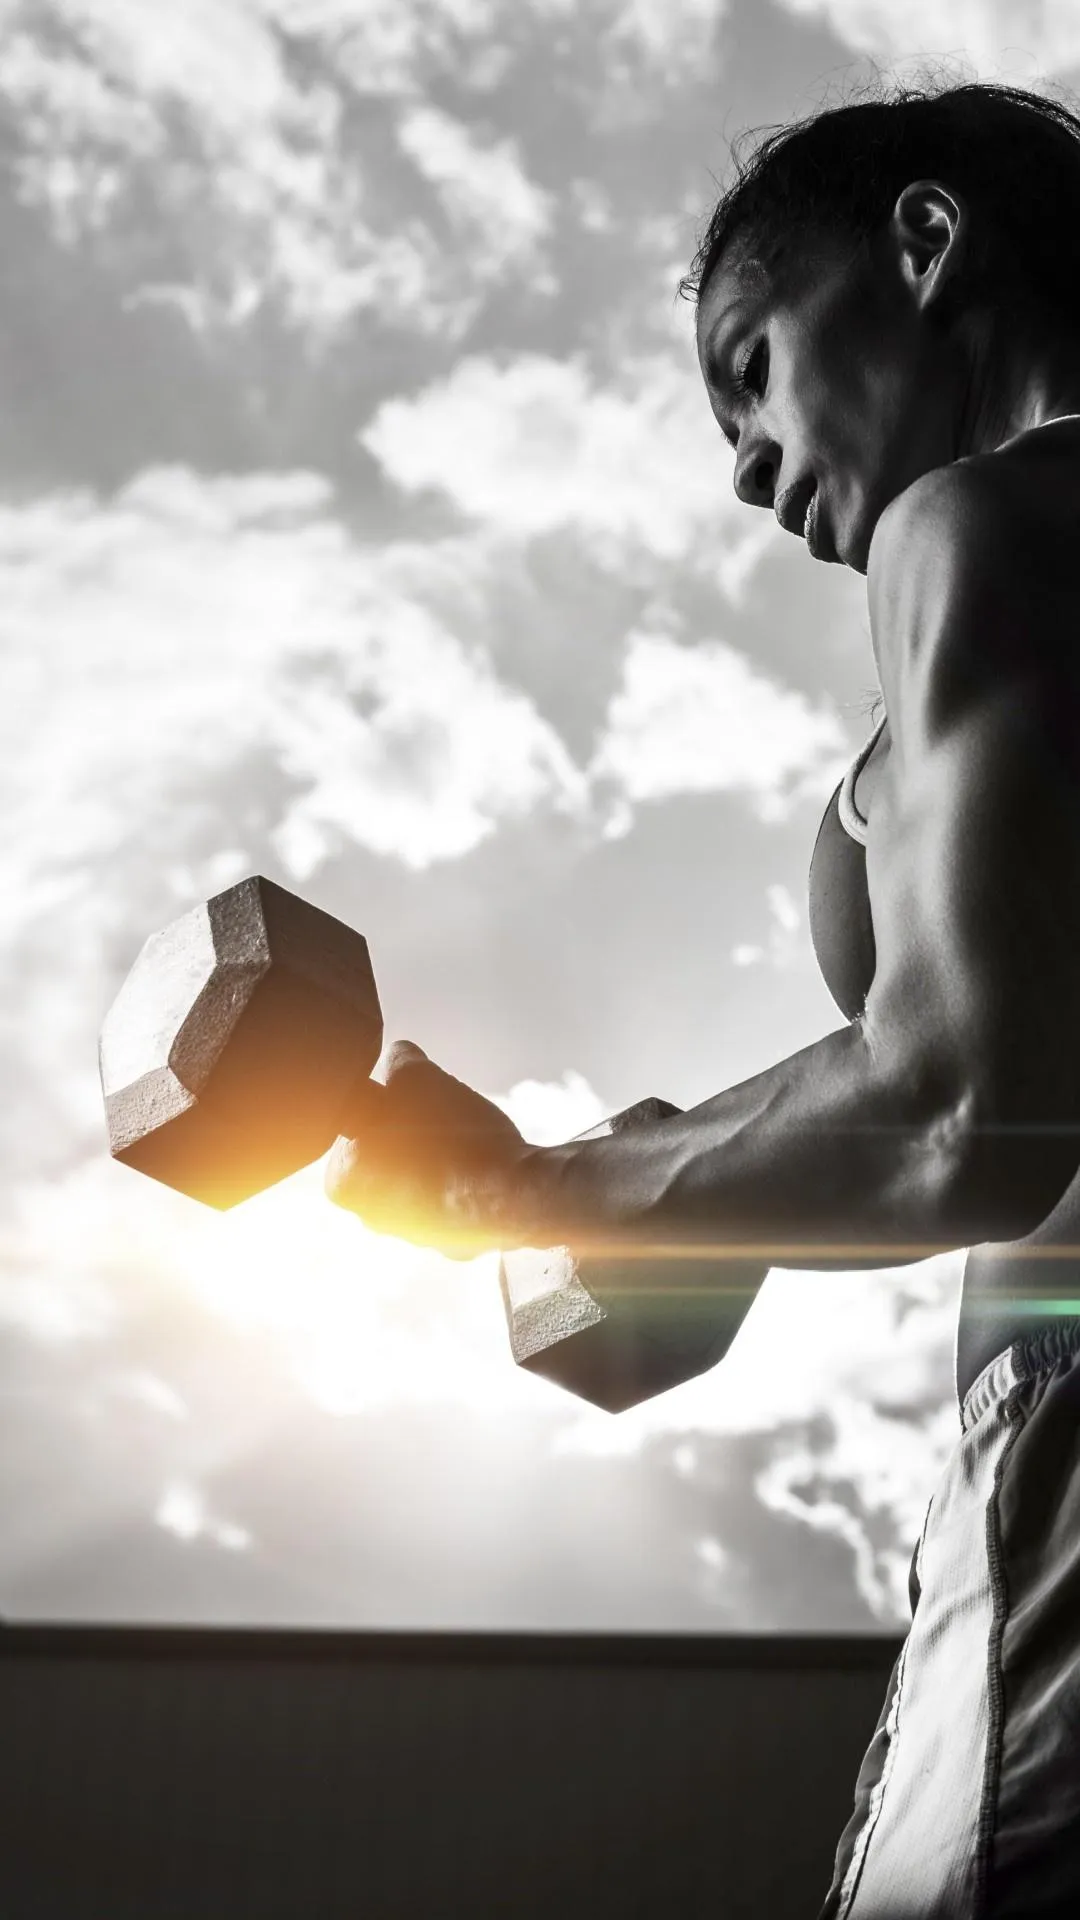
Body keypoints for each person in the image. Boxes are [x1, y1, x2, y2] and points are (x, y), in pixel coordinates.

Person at [326, 78, 1080, 1918]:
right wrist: (694, 1198)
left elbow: (962, 1114)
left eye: (749, 368)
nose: (742, 466)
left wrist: (528, 1197)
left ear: (925, 243)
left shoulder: (980, 526)